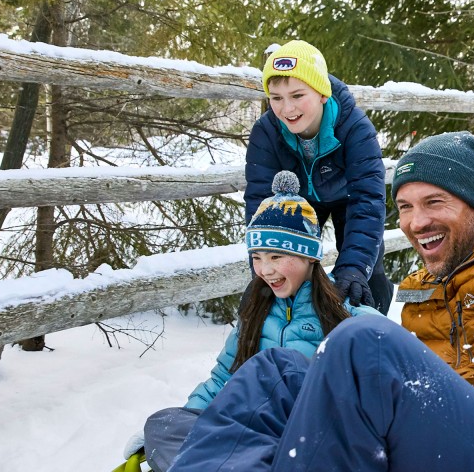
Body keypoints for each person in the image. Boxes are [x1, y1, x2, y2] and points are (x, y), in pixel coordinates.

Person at [167, 132, 474, 472]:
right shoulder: (421, 288)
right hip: (439, 448)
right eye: (406, 207)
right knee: (277, 371)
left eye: (434, 202)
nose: (416, 222)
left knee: (361, 341)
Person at [119, 171, 380, 472]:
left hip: (309, 440)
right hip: (249, 433)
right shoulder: (256, 310)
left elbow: (382, 390)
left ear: (309, 256)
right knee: (163, 424)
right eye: (257, 257)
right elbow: (222, 380)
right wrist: (191, 419)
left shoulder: (346, 313)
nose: (265, 270)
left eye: (277, 256)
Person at [245, 39, 394, 313]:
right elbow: (260, 202)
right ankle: (296, 327)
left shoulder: (355, 128)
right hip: (295, 199)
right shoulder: (266, 132)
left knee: (367, 268)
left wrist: (354, 268)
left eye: (298, 95)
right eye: (276, 98)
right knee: (290, 266)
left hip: (348, 199)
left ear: (322, 93)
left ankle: (374, 324)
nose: (287, 109)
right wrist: (263, 273)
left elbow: (367, 200)